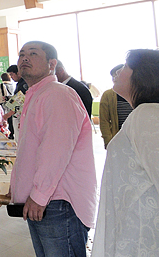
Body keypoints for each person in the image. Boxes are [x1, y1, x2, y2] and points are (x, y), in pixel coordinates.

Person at [92, 49, 159, 256]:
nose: (119, 71)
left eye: (126, 66)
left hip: (152, 241)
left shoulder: (151, 114)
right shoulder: (149, 113)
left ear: (146, 74)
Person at [10, 41, 97, 257]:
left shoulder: (58, 94)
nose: (24, 58)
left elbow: (55, 152)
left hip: (57, 202)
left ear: (52, 63)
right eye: (21, 54)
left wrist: (39, 196)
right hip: (44, 200)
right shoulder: (37, 94)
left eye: (33, 53)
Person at [98, 64, 133, 148]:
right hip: (117, 138)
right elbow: (104, 120)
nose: (114, 79)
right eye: (113, 77)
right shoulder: (108, 95)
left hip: (135, 137)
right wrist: (108, 141)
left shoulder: (135, 93)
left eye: (117, 75)